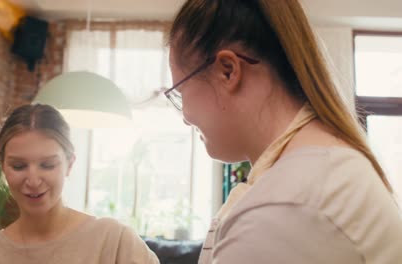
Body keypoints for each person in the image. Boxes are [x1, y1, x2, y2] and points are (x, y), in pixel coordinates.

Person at [164, 0, 402, 263]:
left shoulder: (285, 208)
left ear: (228, 71)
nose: (185, 117)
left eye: (180, 91)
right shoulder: (318, 174)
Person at [0, 104, 159, 264]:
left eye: (47, 165)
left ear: (69, 164)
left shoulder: (115, 242)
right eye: (19, 166)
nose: (33, 180)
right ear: (2, 166)